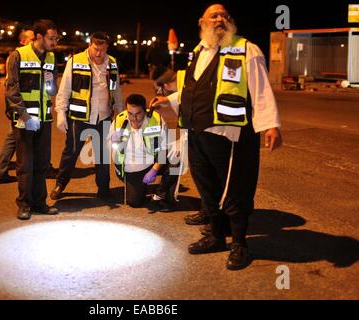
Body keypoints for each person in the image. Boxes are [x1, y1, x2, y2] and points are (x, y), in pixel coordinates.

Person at [151, 4, 282, 270]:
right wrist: (170, 99)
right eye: (214, 16)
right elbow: (194, 87)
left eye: (225, 16)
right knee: (207, 186)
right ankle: (216, 235)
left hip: (230, 135)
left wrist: (270, 124)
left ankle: (240, 245)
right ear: (202, 22)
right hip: (197, 132)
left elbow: (261, 90)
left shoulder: (247, 49)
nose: (220, 19)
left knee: (235, 190)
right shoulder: (199, 51)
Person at [51, 32, 123, 201]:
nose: (99, 53)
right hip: (79, 117)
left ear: (107, 48)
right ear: (90, 45)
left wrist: (119, 111)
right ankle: (60, 184)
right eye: (96, 49)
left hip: (104, 115)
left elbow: (116, 88)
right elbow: (64, 89)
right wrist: (60, 112)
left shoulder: (112, 63)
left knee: (102, 155)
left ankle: (104, 189)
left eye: (103, 50)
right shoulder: (76, 61)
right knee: (71, 152)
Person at [5, 19, 60, 220]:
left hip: (44, 119)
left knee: (42, 164)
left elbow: (51, 89)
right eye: (51, 38)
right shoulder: (17, 56)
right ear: (39, 37)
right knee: (25, 165)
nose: (55, 42)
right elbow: (11, 90)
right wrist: (25, 116)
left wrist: (51, 84)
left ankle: (39, 203)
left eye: (56, 38)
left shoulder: (52, 57)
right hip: (24, 119)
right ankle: (24, 204)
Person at [109, 94, 178, 211]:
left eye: (138, 114)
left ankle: (161, 194)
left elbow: (163, 151)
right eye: (130, 113)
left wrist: (154, 169)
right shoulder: (119, 122)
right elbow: (114, 150)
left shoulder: (157, 121)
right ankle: (138, 186)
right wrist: (114, 141)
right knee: (135, 203)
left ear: (145, 110)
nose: (133, 118)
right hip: (132, 167)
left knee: (176, 158)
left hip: (153, 162)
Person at [0, 28, 35, 184]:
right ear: (23, 41)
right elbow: (11, 86)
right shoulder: (17, 56)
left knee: (13, 138)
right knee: (14, 138)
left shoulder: (26, 55)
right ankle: (2, 171)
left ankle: (2, 170)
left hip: (23, 104)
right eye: (31, 40)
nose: (34, 42)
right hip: (18, 104)